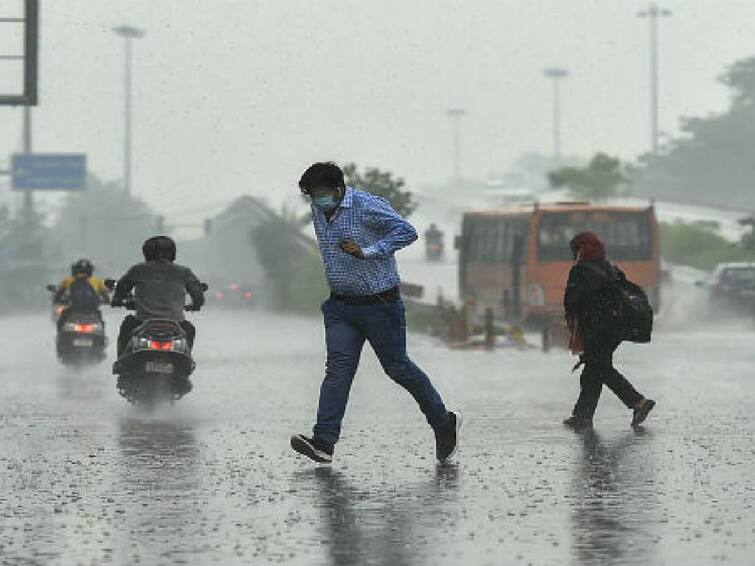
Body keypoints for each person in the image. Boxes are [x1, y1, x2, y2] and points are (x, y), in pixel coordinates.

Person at [290, 162, 461, 464]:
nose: (317, 201)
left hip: (379, 305)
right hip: (340, 306)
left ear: (339, 189)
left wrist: (368, 250)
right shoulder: (318, 211)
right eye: (312, 195)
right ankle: (324, 442)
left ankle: (443, 421)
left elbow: (407, 232)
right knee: (337, 371)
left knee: (397, 368)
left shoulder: (367, 206)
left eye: (321, 194)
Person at [562, 231, 656, 429]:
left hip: (596, 328)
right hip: (616, 328)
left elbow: (572, 301)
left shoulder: (581, 271)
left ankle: (638, 401)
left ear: (581, 250)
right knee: (593, 370)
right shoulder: (611, 268)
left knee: (600, 367)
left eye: (575, 250)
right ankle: (583, 416)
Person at [111, 236, 205, 357]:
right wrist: (196, 305)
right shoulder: (184, 272)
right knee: (189, 329)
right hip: (176, 324)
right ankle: (186, 362)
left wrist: (117, 300)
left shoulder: (138, 270)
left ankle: (121, 363)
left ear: (147, 252)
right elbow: (197, 293)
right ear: (172, 253)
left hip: (141, 321)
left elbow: (122, 288)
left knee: (127, 325)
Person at [54, 258, 110, 330]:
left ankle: (60, 339)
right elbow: (105, 295)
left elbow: (59, 294)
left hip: (73, 309)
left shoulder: (68, 280)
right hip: (92, 310)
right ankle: (103, 339)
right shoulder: (97, 281)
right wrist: (105, 301)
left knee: (62, 321)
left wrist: (59, 301)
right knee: (100, 323)